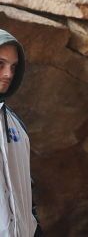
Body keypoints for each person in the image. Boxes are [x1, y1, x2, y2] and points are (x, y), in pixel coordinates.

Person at [0, 30, 42, 236]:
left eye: (14, 67)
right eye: (0, 64)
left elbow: (27, 193)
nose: (8, 74)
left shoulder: (17, 125)